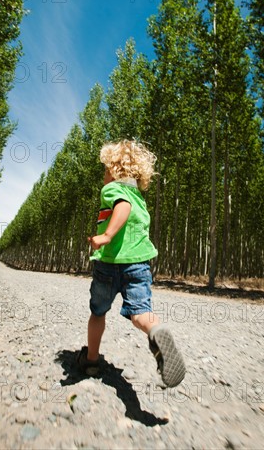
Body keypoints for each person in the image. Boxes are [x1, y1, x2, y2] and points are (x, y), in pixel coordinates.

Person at [76, 140, 186, 388]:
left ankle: (91, 359)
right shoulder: (139, 197)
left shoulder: (114, 190)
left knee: (98, 312)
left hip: (108, 264)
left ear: (114, 170)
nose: (104, 176)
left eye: (105, 170)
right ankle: (156, 332)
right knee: (140, 314)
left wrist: (106, 236)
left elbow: (121, 208)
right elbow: (131, 210)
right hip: (138, 266)